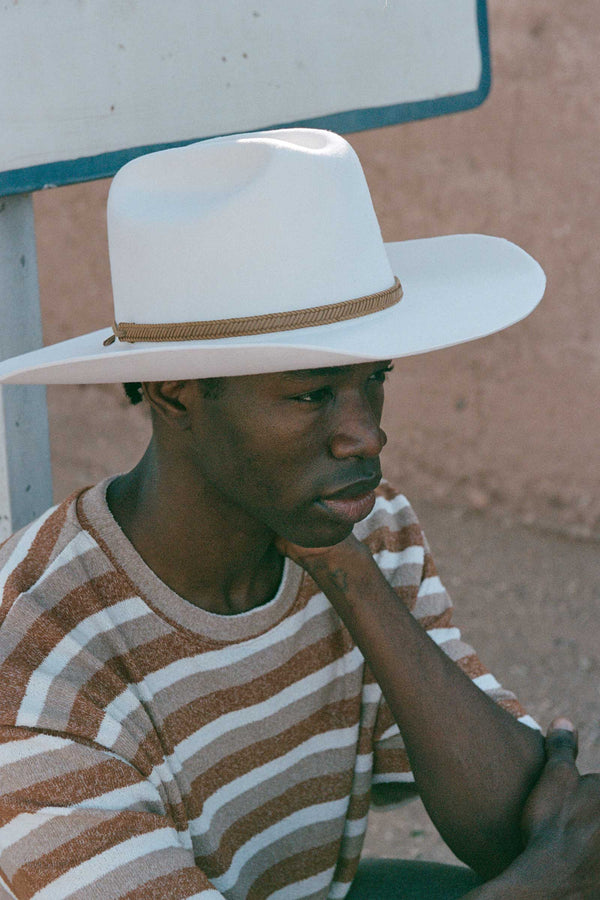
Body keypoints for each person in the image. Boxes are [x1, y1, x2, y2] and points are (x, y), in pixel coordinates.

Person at [0, 129, 597, 899]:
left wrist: (344, 569)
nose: (367, 434)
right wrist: (545, 884)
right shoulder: (35, 669)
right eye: (312, 394)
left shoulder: (356, 529)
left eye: (373, 377)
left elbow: (508, 824)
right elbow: (546, 862)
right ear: (175, 390)